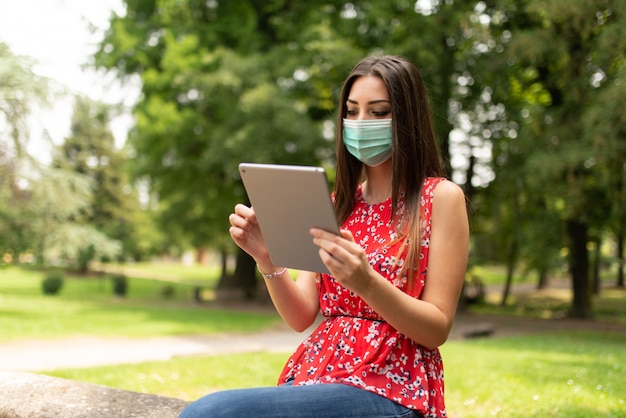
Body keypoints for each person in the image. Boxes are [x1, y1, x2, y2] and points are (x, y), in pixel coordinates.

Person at [179, 55, 469, 418]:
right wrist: (268, 260)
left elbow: (437, 328)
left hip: (393, 386)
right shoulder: (335, 204)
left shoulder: (440, 198)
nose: (361, 122)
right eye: (352, 111)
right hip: (319, 375)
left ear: (407, 119)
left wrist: (366, 282)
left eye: (378, 112)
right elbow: (302, 315)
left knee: (212, 413)